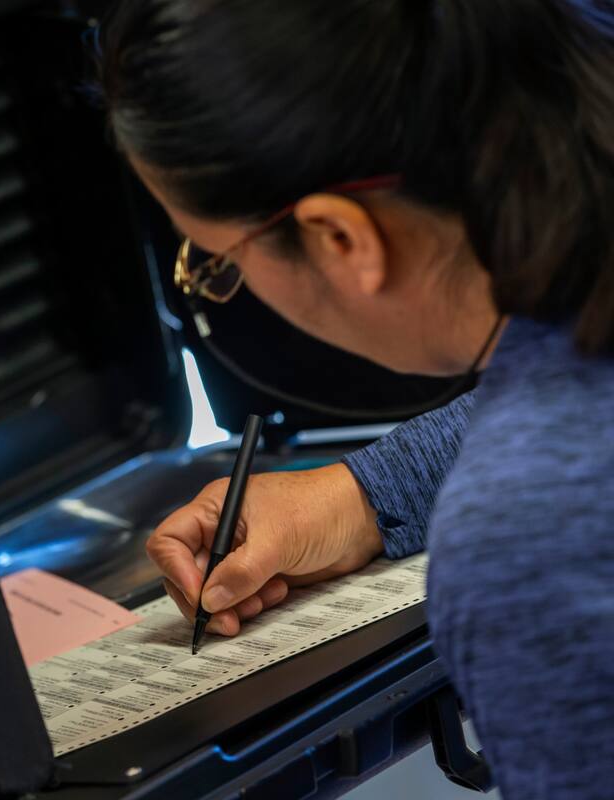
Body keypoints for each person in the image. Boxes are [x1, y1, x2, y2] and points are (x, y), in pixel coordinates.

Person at [96, 1, 614, 797]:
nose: (214, 280)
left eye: (213, 260)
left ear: (342, 238)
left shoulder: (532, 540)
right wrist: (368, 497)